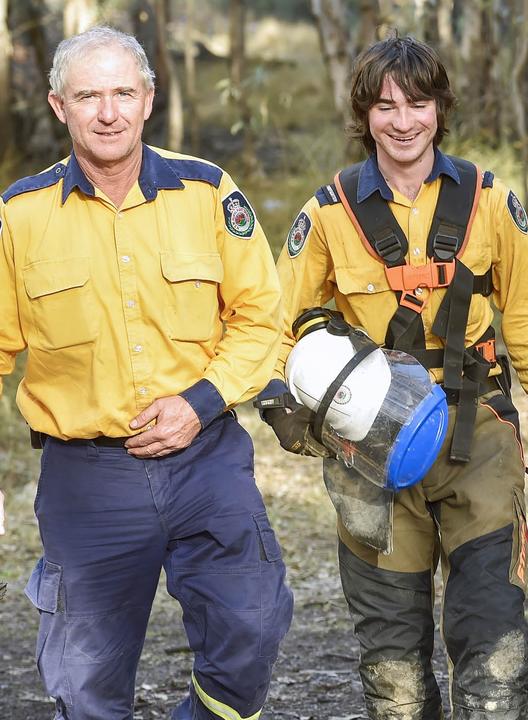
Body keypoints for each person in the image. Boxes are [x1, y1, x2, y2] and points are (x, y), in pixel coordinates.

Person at [256, 35, 528, 720]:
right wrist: (275, 394)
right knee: (393, 663)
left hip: (478, 437)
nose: (402, 121)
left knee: (493, 641)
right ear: (363, 114)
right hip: (364, 446)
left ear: (441, 108)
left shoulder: (488, 202)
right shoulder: (328, 214)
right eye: (385, 106)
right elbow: (273, 316)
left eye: (418, 103)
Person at [0, 26, 292, 720]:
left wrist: (200, 401)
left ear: (149, 100)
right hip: (87, 478)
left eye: (123, 92)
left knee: (251, 630)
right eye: (89, 95)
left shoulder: (208, 192)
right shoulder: (19, 217)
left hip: (206, 458)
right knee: (85, 685)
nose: (108, 112)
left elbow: (261, 320)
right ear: (57, 106)